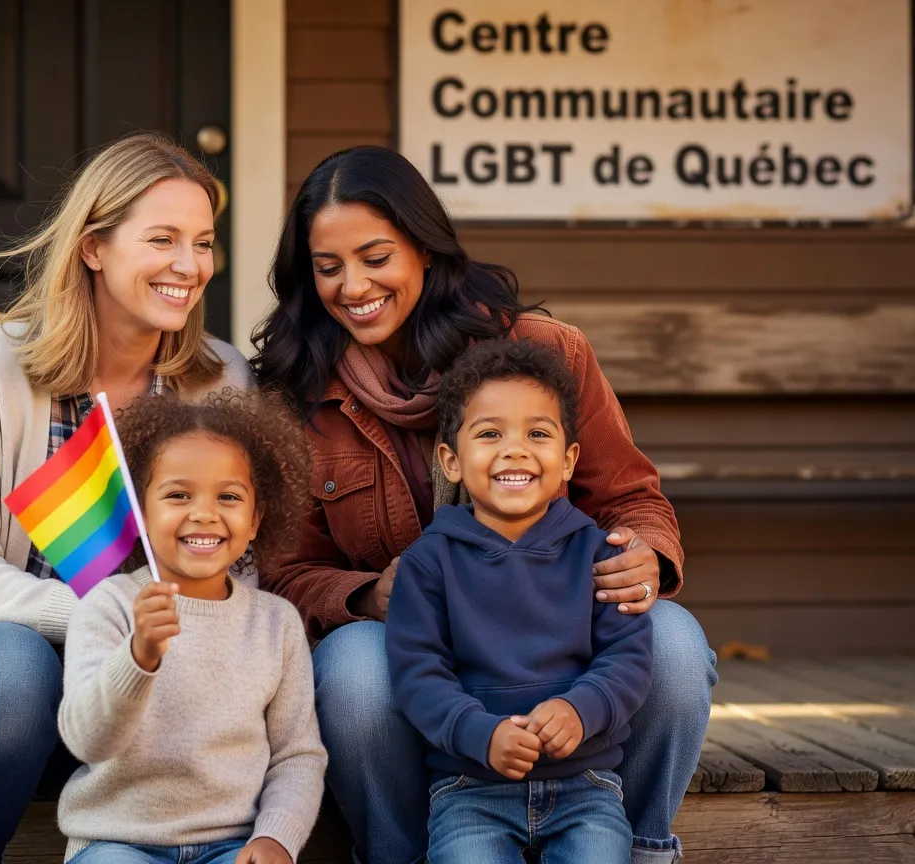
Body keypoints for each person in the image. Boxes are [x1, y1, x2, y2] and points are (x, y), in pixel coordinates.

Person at [251, 145, 716, 864]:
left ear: (427, 252)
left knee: (676, 645)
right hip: (413, 651)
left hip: (556, 639)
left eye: (377, 257)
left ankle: (641, 846)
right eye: (328, 266)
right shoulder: (295, 391)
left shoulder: (545, 352)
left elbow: (630, 494)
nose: (353, 285)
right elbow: (285, 569)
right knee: (351, 668)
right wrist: (370, 595)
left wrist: (644, 554)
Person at [0, 133, 255, 860]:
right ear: (94, 247)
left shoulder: (221, 380)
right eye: (162, 239)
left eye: (203, 242)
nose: (189, 266)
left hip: (146, 694)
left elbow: (242, 568)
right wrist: (103, 616)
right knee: (12, 667)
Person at [387, 339, 652, 864]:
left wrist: (581, 709)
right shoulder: (428, 563)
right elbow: (418, 673)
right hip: (469, 788)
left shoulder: (598, 553)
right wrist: (479, 733)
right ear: (452, 460)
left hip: (587, 785)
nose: (515, 450)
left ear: (569, 459)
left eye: (537, 433)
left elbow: (628, 658)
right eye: (489, 434)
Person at [59, 391, 327, 864]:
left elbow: (297, 756)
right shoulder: (110, 607)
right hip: (117, 843)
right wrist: (138, 657)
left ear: (254, 521)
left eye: (228, 496)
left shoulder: (276, 623)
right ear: (141, 513)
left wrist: (277, 837)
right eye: (178, 495)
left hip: (232, 845)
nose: (204, 513)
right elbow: (87, 740)